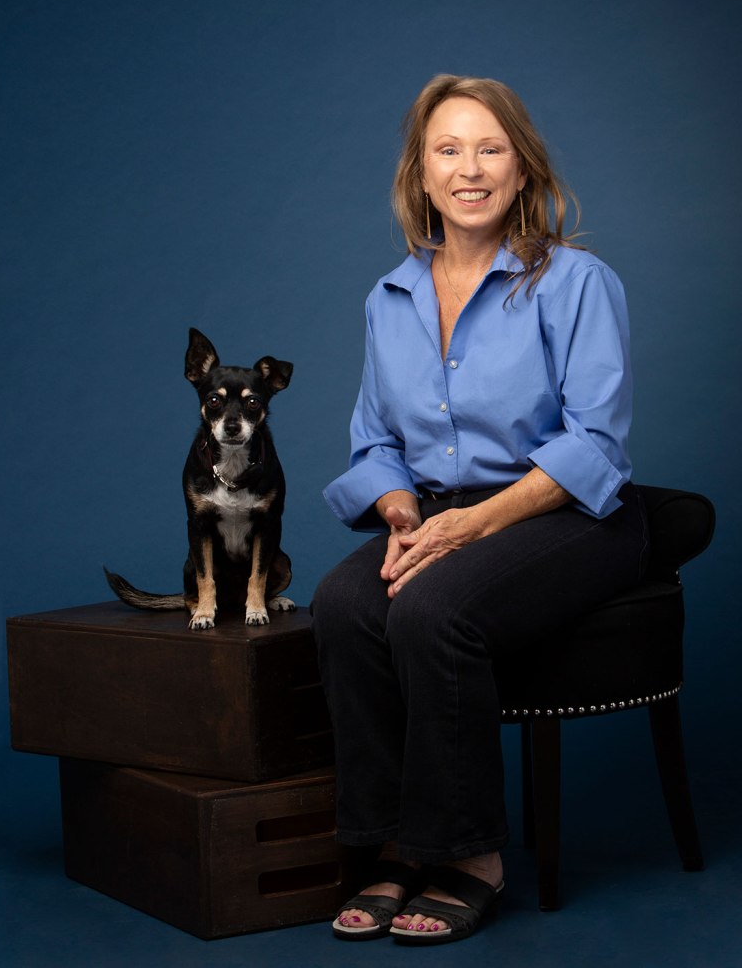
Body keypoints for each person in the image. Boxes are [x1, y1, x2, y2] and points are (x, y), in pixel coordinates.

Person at [310, 74, 649, 946]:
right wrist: (399, 510)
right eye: (448, 150)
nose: (469, 169)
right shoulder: (388, 299)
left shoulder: (575, 281)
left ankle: (468, 854)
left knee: (430, 609)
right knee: (343, 602)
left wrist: (470, 524)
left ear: (521, 168)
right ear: (420, 175)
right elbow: (374, 441)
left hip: (565, 514)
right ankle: (391, 841)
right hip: (438, 510)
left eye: (489, 149)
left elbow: (594, 444)